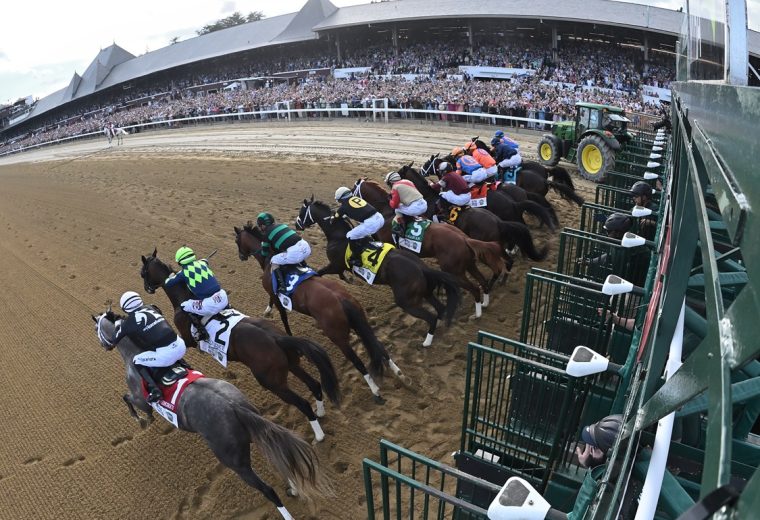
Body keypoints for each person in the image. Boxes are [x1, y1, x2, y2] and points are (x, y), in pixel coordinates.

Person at [111, 291, 187, 403]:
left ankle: (155, 390)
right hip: (181, 346)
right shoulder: (152, 307)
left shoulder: (126, 324)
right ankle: (185, 364)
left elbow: (114, 339)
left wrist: (118, 324)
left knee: (136, 360)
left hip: (166, 356)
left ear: (124, 309)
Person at [165, 246, 228, 342]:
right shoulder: (202, 263)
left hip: (210, 305)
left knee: (184, 305)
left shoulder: (183, 273)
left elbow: (168, 283)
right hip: (223, 297)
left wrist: (171, 276)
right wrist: (203, 261)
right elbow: (204, 262)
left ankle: (200, 331)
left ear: (179, 262)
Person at [256, 212, 312, 294]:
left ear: (263, 225)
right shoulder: (282, 225)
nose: (260, 228)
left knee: (274, 260)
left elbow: (264, 253)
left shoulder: (266, 234)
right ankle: (305, 266)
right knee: (291, 251)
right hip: (306, 247)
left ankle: (281, 286)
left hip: (296, 253)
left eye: (260, 225)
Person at [334, 186, 385, 266]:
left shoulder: (343, 207)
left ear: (341, 199)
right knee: (363, 228)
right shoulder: (356, 198)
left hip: (371, 223)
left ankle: (356, 259)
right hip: (380, 217)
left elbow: (335, 218)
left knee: (350, 235)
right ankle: (378, 242)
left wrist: (333, 217)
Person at [384, 171, 428, 238]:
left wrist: (390, 200)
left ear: (390, 182)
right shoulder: (408, 181)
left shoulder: (395, 187)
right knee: (404, 206)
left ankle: (402, 228)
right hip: (424, 204)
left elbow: (394, 205)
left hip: (415, 209)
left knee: (397, 210)